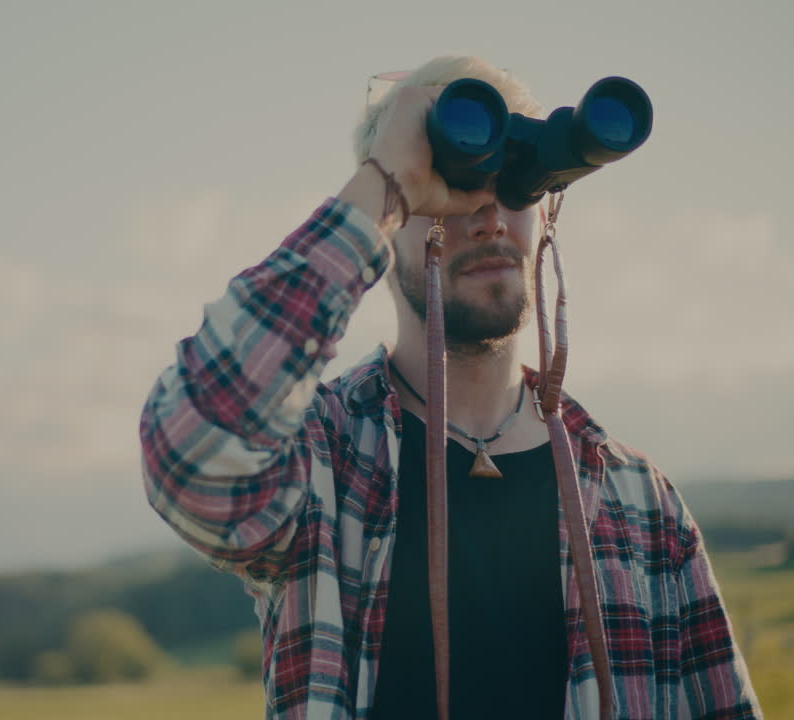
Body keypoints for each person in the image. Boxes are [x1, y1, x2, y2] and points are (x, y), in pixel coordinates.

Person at [138, 56, 760, 720]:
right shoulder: (323, 459)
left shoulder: (639, 502)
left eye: (516, 186)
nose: (489, 215)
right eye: (454, 185)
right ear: (389, 220)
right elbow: (192, 448)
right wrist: (384, 182)